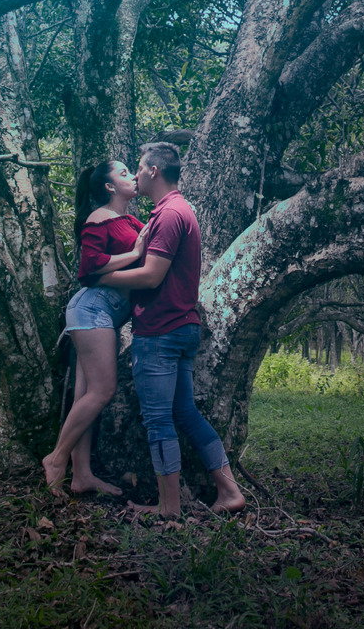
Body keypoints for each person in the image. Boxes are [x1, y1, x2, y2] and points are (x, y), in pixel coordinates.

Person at [94, 142, 247, 516]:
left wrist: (101, 276)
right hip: (181, 327)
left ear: (154, 171)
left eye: (139, 168)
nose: (135, 175)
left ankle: (169, 506)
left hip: (160, 330)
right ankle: (229, 491)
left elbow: (151, 276)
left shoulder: (169, 214)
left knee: (158, 419)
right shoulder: (179, 210)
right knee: (185, 414)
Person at [41, 160, 148, 497]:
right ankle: (56, 459)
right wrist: (135, 252)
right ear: (109, 187)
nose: (133, 177)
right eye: (124, 173)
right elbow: (89, 267)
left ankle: (82, 475)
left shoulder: (130, 220)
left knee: (85, 397)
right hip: (93, 309)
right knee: (102, 391)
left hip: (103, 313)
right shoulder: (99, 217)